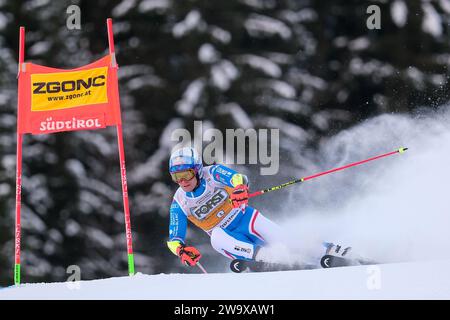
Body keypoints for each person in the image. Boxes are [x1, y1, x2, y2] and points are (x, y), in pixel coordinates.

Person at [166, 147, 284, 268]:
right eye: (176, 177)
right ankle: (263, 256)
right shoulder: (179, 202)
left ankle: (291, 255)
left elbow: (238, 178)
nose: (182, 181)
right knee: (216, 237)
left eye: (186, 174)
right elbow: (174, 240)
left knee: (286, 241)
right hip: (227, 238)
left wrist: (239, 187)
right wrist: (181, 251)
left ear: (197, 170)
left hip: (247, 219)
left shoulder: (212, 173)